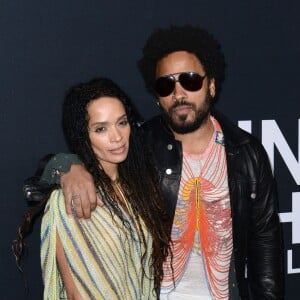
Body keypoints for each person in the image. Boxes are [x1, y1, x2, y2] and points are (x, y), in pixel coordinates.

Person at [34, 25, 284, 299]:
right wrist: (67, 166)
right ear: (157, 97)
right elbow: (85, 158)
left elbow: (265, 244)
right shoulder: (140, 145)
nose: (178, 94)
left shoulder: (247, 153)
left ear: (210, 85)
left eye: (190, 80)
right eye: (166, 85)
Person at [13, 77, 171, 299]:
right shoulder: (71, 196)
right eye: (101, 128)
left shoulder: (137, 189)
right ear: (83, 136)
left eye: (122, 122)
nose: (117, 137)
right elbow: (76, 293)